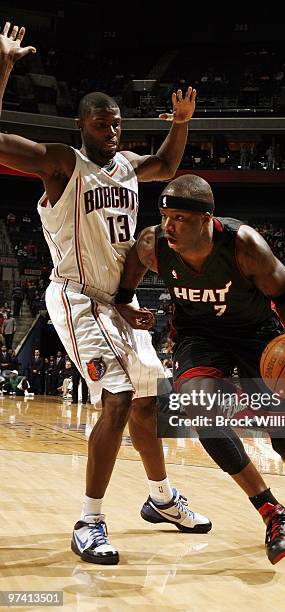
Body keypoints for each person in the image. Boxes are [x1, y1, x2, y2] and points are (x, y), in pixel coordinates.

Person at [0, 21, 210, 566]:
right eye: (102, 122)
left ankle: (160, 499)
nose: (112, 130)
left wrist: (180, 124)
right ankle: (89, 520)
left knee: (147, 400)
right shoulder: (61, 163)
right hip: (73, 296)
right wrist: (3, 68)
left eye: (116, 123)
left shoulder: (127, 166)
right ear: (82, 125)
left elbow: (166, 164)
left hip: (117, 300)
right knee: (115, 397)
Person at [116, 174, 285, 565]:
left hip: (256, 336)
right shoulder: (152, 245)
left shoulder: (243, 244)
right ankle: (273, 513)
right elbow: (126, 285)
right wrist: (128, 305)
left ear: (206, 220)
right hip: (199, 336)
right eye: (165, 216)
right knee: (199, 409)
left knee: (282, 436)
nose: (169, 226)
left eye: (180, 218)